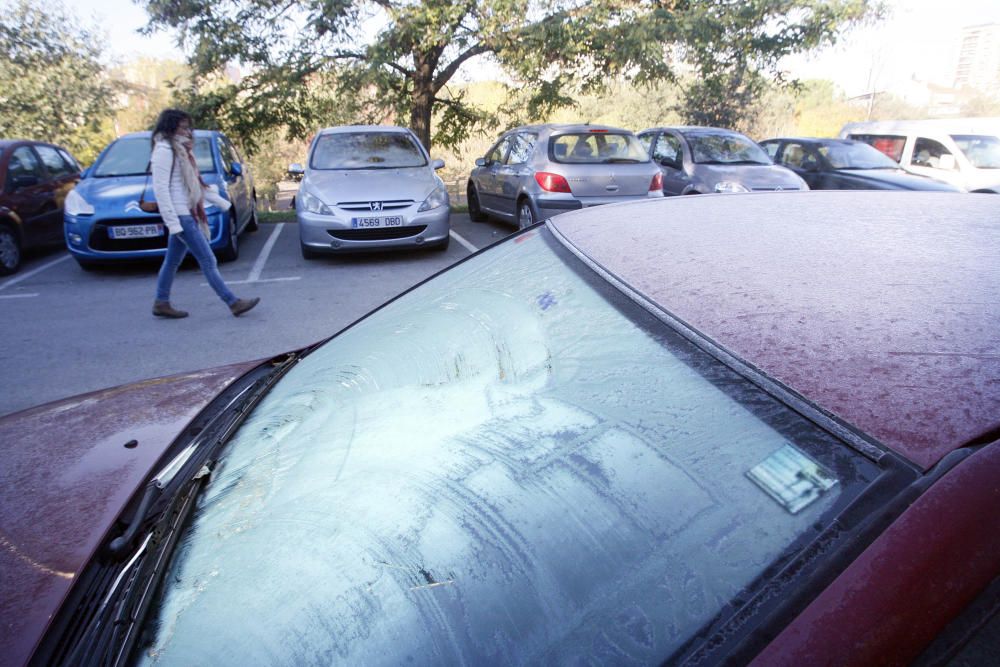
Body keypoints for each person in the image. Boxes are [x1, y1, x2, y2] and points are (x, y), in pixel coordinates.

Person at [149, 108, 259, 318]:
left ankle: (161, 302)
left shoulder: (181, 151)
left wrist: (221, 203)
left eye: (188, 126)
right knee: (208, 260)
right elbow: (161, 190)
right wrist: (173, 223)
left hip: (186, 212)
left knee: (172, 262)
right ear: (170, 126)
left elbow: (195, 186)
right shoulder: (164, 150)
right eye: (182, 126)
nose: (188, 131)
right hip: (181, 216)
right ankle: (233, 302)